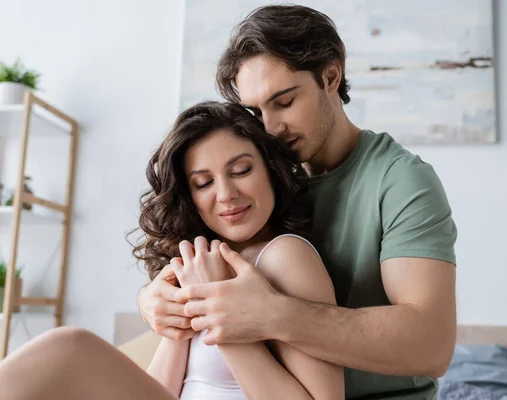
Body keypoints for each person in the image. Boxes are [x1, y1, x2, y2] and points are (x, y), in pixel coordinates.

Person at [138, 4, 458, 400]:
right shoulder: (266, 185)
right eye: (255, 111)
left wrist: (271, 314)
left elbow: (431, 346)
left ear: (330, 76)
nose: (269, 128)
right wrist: (153, 299)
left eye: (285, 102)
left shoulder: (400, 181)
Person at [0, 101, 344, 400]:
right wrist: (186, 300)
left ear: (270, 170)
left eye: (241, 170)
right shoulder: (201, 264)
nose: (225, 194)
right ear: (189, 197)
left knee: (69, 349)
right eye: (204, 183)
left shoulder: (286, 256)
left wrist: (217, 311)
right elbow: (162, 391)